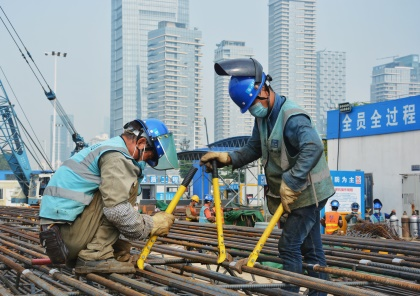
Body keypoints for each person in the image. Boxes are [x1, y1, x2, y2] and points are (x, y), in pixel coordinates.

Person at [200, 58, 335, 295]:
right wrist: (228, 158)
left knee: (289, 245)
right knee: (311, 249)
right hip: (296, 193)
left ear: (264, 88)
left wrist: (292, 181)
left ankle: (289, 292)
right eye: (250, 106)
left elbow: (313, 147)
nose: (254, 109)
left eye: (254, 103)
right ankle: (319, 292)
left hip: (307, 193)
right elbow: (254, 148)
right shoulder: (263, 117)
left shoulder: (292, 117)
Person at [39, 118, 179, 274]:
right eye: (148, 156)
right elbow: (117, 211)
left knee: (117, 198)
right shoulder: (117, 158)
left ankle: (104, 251)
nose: (145, 160)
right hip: (67, 237)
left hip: (58, 237)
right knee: (118, 198)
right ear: (140, 143)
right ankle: (95, 255)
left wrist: (119, 248)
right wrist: (151, 224)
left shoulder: (107, 148)